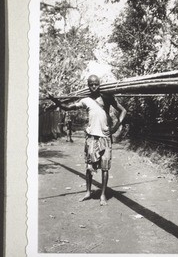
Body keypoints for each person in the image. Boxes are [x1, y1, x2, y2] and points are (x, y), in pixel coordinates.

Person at [49, 75, 126, 206]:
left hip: (105, 138)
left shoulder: (107, 97)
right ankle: (88, 192)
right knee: (89, 167)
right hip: (91, 137)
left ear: (99, 84)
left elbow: (123, 110)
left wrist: (115, 127)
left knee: (105, 168)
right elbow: (67, 107)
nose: (93, 86)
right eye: (91, 84)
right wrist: (55, 101)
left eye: (96, 84)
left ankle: (102, 195)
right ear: (88, 85)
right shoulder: (85, 100)